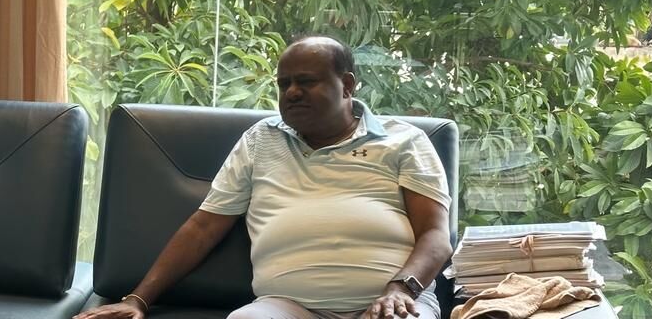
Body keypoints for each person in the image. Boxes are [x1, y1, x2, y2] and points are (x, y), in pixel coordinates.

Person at [76, 36, 453, 319]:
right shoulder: (260, 140)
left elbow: (436, 236)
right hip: (287, 306)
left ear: (348, 85)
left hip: (390, 304)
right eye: (284, 84)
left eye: (306, 81)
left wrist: (401, 289)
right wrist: (137, 300)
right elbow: (204, 227)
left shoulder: (404, 140)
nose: (292, 92)